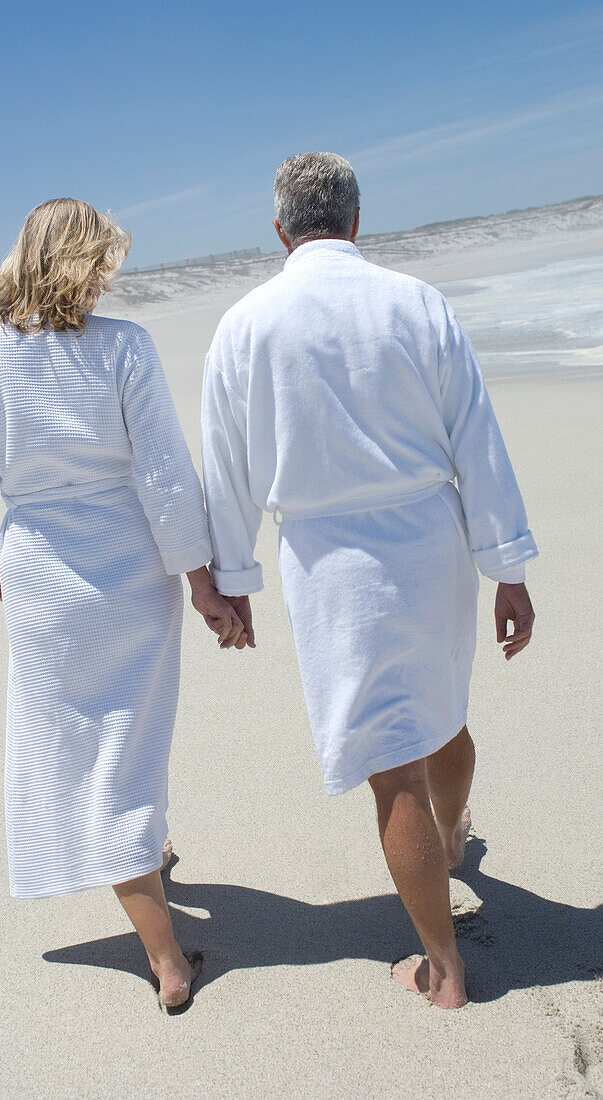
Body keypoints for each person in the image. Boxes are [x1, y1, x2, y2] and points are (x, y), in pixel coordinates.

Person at [200, 152, 538, 1009]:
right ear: (355, 221)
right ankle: (453, 836)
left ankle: (445, 969)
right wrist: (507, 567)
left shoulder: (245, 322)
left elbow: (227, 468)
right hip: (433, 540)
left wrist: (230, 579)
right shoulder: (415, 302)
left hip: (329, 563)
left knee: (391, 771)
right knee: (445, 713)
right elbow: (477, 439)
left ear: (279, 230)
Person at [0, 198, 248, 1009]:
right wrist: (200, 579)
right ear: (90, 261)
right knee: (125, 739)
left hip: (40, 569)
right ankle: (167, 956)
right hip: (127, 566)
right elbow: (160, 472)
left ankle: (145, 850)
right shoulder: (123, 347)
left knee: (84, 736)